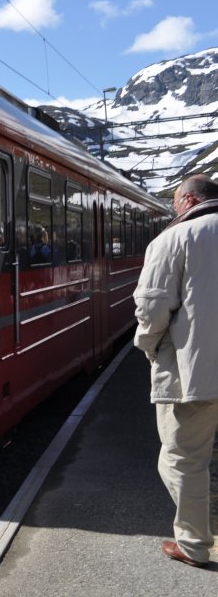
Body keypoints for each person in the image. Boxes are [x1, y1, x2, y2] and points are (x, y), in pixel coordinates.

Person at [133, 174, 218, 569]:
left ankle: (194, 542)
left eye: (174, 202)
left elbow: (152, 309)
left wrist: (149, 350)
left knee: (181, 460)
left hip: (194, 373)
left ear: (186, 199)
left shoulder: (173, 239)